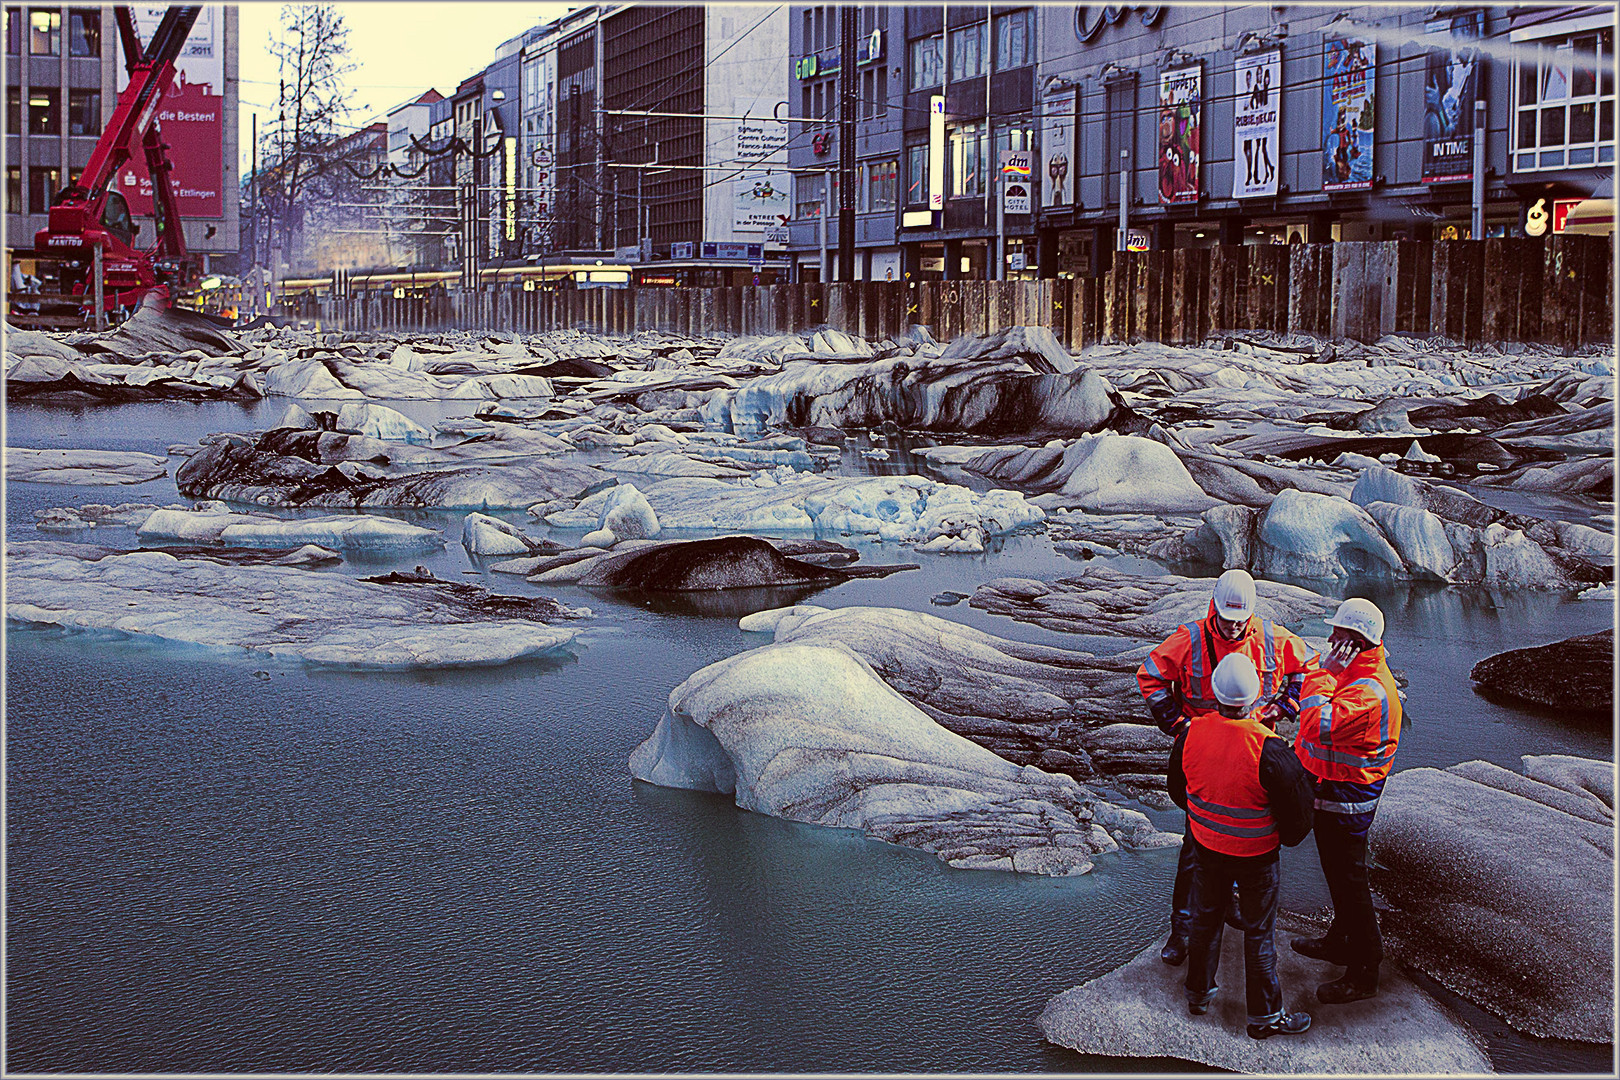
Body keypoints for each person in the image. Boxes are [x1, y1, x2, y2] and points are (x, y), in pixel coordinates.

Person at [1138, 568, 1317, 965]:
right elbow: (1150, 676)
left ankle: (1231, 907)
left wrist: (1286, 706)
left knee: (1247, 846)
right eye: (1227, 620)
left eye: (1241, 621)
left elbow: (1308, 668)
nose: (1234, 628)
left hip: (1256, 757)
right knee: (1196, 849)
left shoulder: (1271, 637)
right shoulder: (1191, 639)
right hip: (1205, 754)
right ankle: (1181, 930)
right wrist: (1179, 726)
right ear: (1213, 609)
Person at [1169, 654, 1315, 1039]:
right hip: (1256, 858)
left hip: (1207, 849)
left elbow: (1176, 791)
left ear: (1214, 694)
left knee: (1204, 921)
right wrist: (1274, 836)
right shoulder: (1270, 749)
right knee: (1258, 934)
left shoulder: (1190, 734)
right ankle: (1264, 1017)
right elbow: (1299, 820)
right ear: (1253, 700)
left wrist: (1205, 819)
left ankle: (1197, 994)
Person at [1290, 597, 1402, 1004]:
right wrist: (1327, 671)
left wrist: (1324, 675)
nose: (1331, 637)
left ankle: (1365, 968)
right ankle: (1340, 940)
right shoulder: (1357, 670)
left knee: (1349, 881)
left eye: (1338, 633)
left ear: (1355, 641)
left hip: (1348, 796)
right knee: (1339, 874)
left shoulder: (1368, 691)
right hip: (1335, 787)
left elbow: (1317, 724)